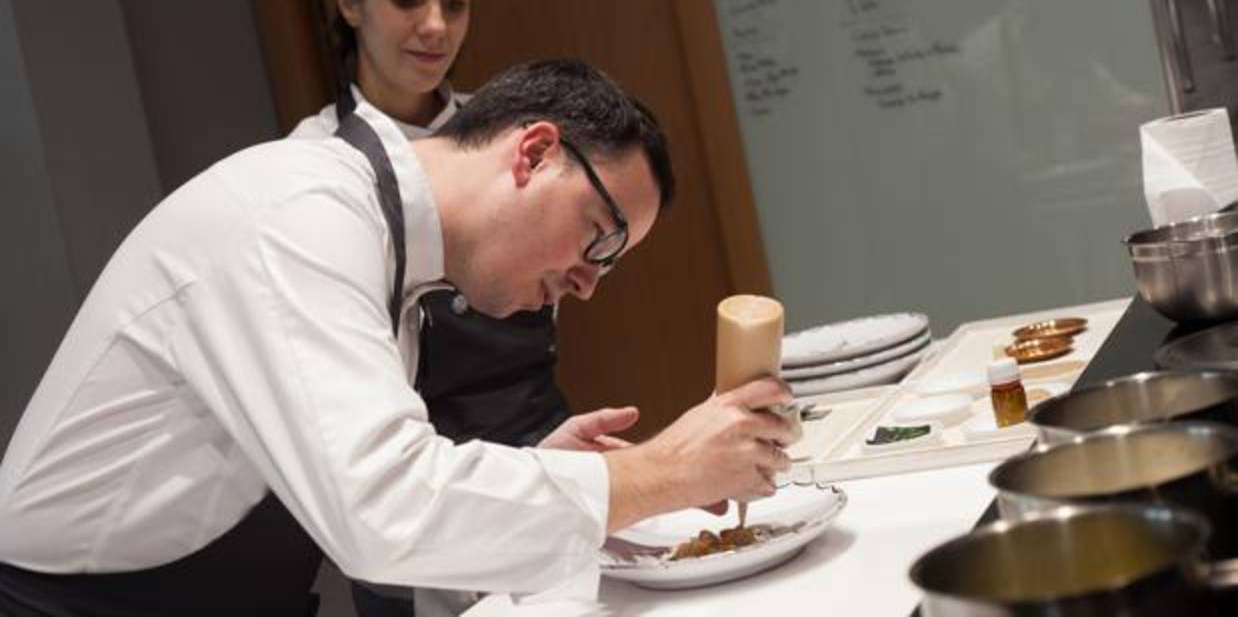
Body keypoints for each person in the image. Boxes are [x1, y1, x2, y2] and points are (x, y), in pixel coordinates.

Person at [0, 60, 795, 617]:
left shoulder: (394, 259)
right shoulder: (298, 217)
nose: (589, 281)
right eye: (599, 234)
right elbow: (383, 513)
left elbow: (361, 491)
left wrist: (539, 479)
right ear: (535, 152)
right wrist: (664, 472)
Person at [290, 0, 573, 453]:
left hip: (554, 444)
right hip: (426, 478)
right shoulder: (314, 162)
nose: (437, 26)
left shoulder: (515, 138)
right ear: (349, 2)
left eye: (456, 2)